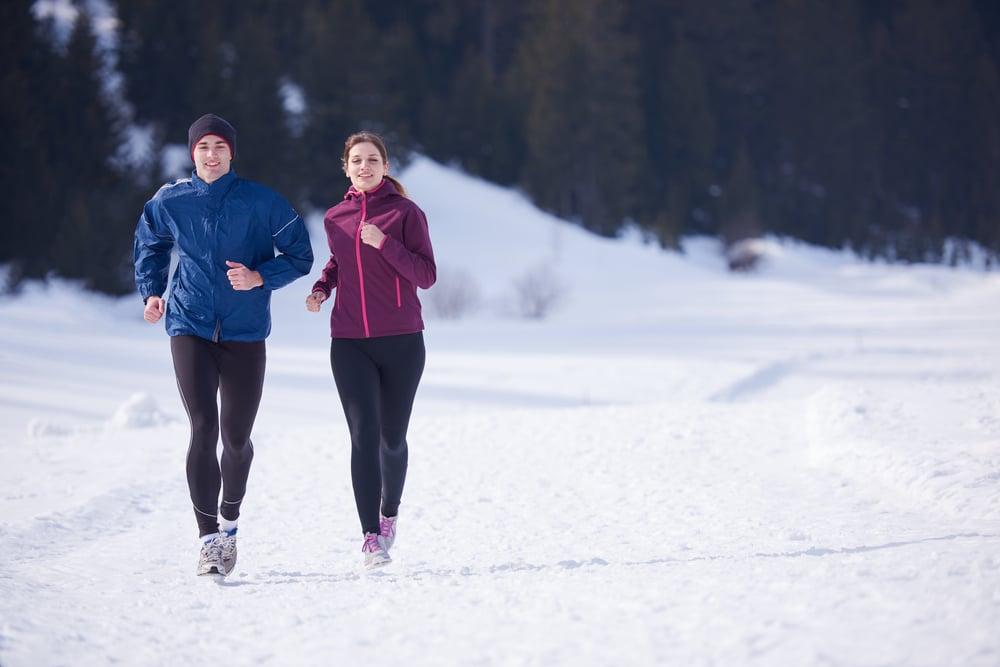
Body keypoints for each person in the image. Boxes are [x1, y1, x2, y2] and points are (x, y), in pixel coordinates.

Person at [134, 113, 314, 576]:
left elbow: (301, 255)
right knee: (202, 427)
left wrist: (259, 277)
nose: (211, 155)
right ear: (191, 152)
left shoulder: (261, 201)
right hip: (188, 324)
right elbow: (150, 245)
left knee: (235, 439)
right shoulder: (171, 200)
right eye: (202, 147)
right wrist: (152, 292)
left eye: (219, 146)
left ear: (232, 152)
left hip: (245, 331)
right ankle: (208, 538)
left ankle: (230, 520)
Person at [306, 131, 436, 570]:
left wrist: (385, 243)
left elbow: (427, 275)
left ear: (385, 166)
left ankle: (389, 513)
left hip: (402, 341)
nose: (365, 166)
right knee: (362, 435)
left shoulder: (405, 213)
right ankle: (369, 538)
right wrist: (322, 288)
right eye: (356, 160)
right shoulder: (335, 217)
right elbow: (338, 262)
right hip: (348, 342)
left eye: (373, 160)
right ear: (345, 167)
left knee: (391, 439)